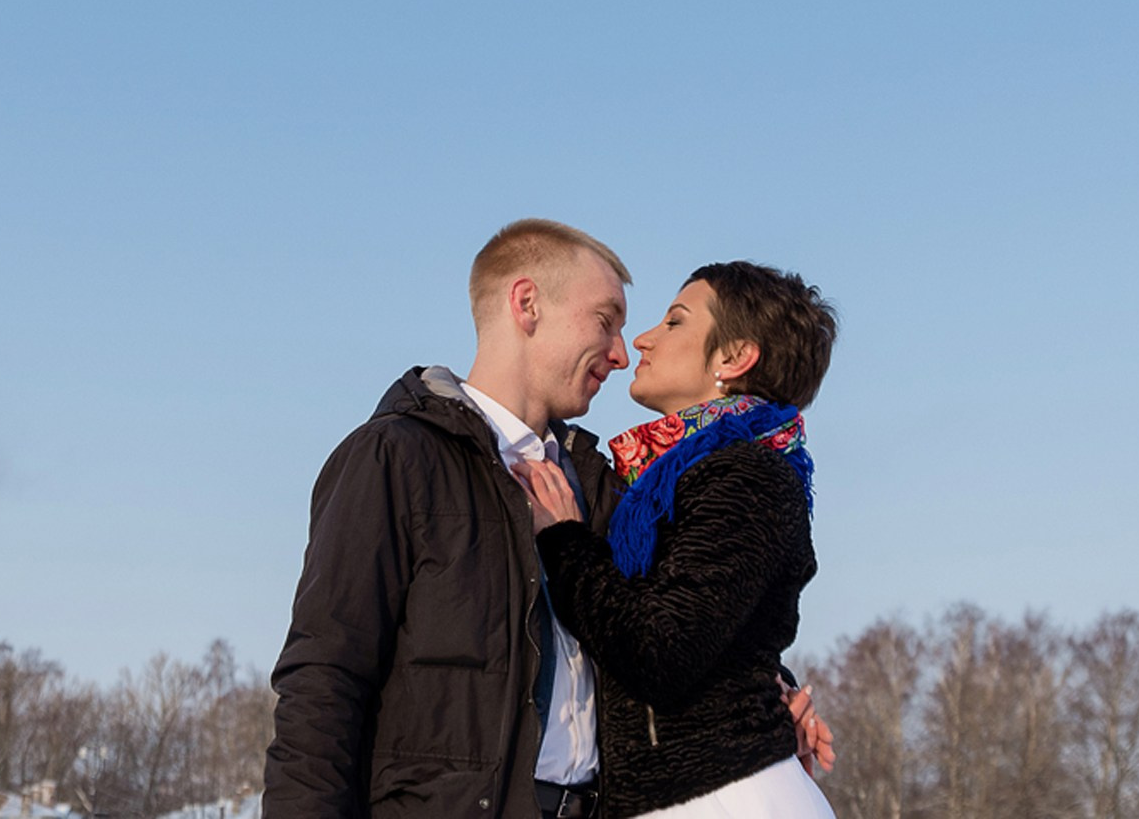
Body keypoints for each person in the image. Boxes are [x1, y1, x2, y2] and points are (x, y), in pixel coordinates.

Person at [263, 221, 831, 819]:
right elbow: (324, 681)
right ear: (527, 304)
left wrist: (765, 696)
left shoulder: (604, 486)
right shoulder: (400, 457)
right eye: (604, 320)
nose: (621, 350)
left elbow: (674, 627)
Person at [515, 261, 838, 818]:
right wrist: (771, 681)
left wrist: (567, 544)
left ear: (734, 357)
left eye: (674, 322)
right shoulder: (667, 479)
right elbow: (709, 622)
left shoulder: (746, 476)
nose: (641, 339)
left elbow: (663, 648)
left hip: (723, 798)